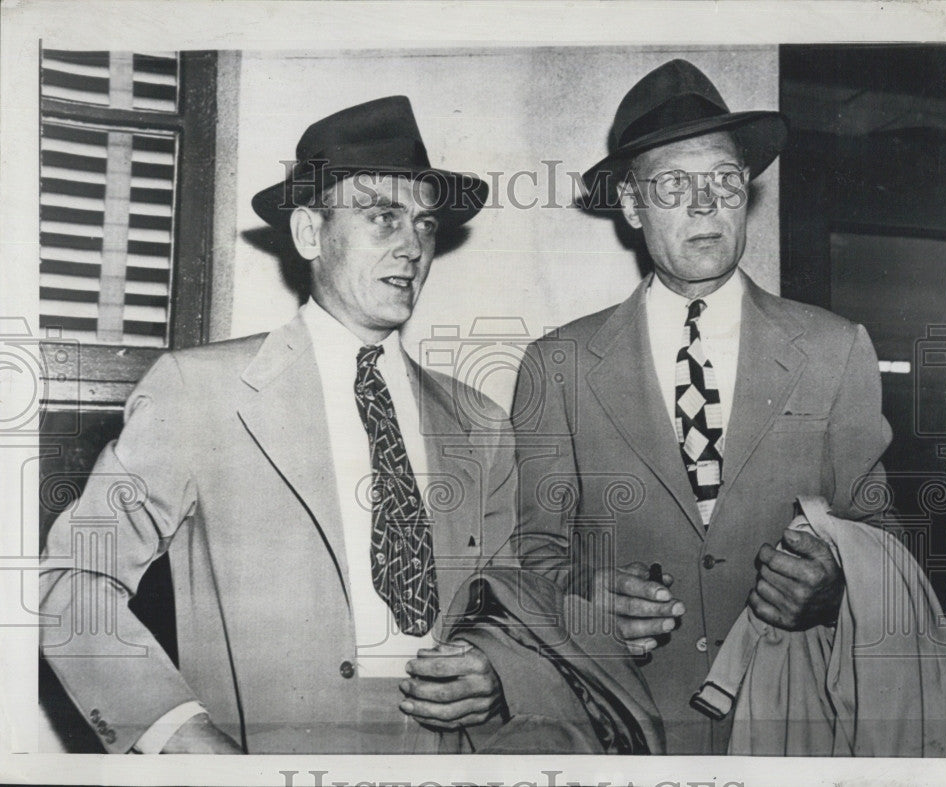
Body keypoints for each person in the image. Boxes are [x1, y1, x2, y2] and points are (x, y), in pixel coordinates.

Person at [39, 96, 517, 754]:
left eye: (425, 223)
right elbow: (71, 579)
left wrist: (497, 666)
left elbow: (515, 602)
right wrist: (175, 734)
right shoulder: (200, 392)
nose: (412, 245)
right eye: (382, 216)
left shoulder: (481, 421)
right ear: (308, 234)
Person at [511, 60, 894, 754]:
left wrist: (839, 585)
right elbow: (533, 555)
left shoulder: (836, 349)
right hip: (622, 728)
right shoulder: (556, 364)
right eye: (672, 186)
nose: (704, 204)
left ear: (745, 195)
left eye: (723, 181)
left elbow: (880, 533)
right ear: (631, 206)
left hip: (794, 724)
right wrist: (582, 599)